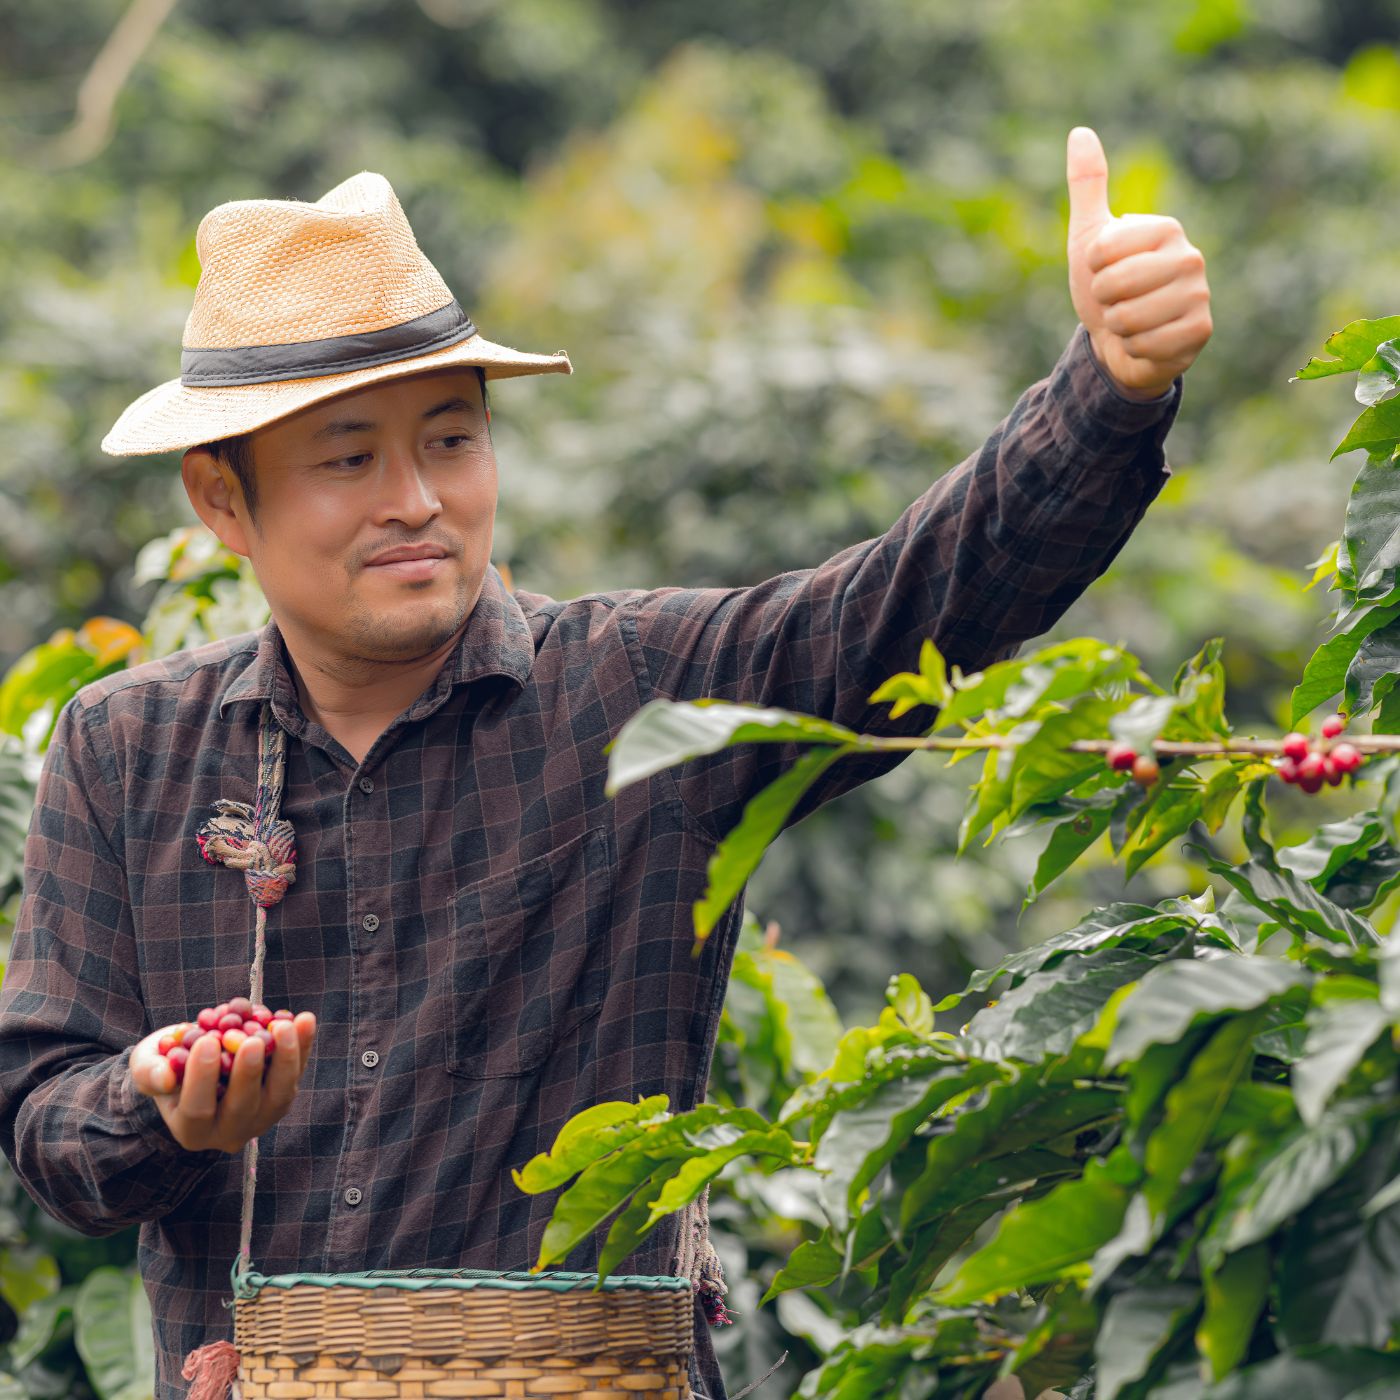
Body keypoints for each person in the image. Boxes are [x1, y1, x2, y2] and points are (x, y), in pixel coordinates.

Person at [0, 126, 1210, 1400]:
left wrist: (1108, 391)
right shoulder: (127, 746)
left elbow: (905, 606)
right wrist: (158, 1106)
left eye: (451, 441)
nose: (415, 497)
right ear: (221, 502)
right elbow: (46, 1121)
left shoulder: (637, 695)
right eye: (349, 457)